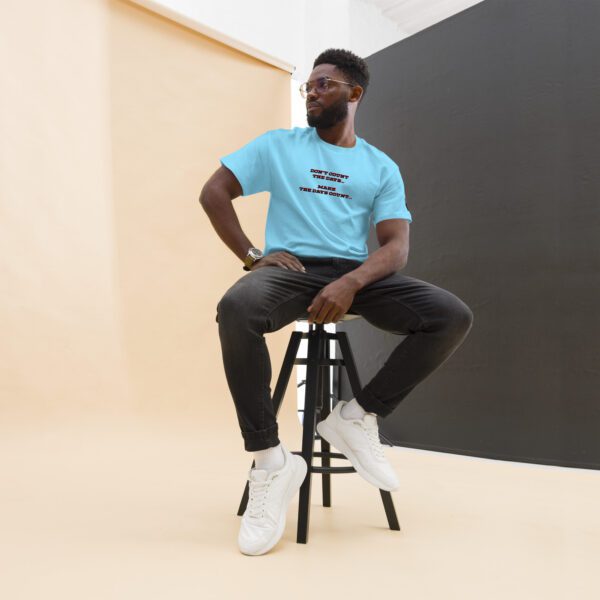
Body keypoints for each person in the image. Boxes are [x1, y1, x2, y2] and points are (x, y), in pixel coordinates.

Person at [199, 48, 474, 556]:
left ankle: (355, 416)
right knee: (236, 309)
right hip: (292, 271)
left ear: (354, 93)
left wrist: (351, 283)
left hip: (354, 274)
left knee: (450, 316)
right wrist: (254, 256)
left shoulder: (379, 166)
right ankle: (270, 462)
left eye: (323, 84)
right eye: (308, 85)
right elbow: (214, 192)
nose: (311, 91)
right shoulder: (279, 146)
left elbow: (396, 247)